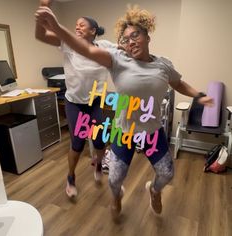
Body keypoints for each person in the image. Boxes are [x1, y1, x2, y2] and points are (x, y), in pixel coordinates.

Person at [35, 5, 213, 218]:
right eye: (126, 39)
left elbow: (179, 83)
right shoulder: (116, 60)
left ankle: (154, 191)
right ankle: (116, 195)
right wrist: (56, 26)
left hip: (152, 131)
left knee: (166, 174)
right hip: (125, 131)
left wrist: (198, 95)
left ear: (147, 36)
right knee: (114, 180)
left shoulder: (163, 65)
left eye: (135, 35)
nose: (131, 42)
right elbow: (85, 49)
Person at [35, 0, 116, 198]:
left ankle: (98, 164)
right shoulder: (67, 44)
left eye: (82, 25)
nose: (77, 27)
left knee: (99, 140)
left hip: (95, 102)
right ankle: (71, 177)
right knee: (78, 143)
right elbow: (40, 35)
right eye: (76, 25)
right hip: (75, 104)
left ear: (93, 31)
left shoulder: (104, 45)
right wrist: (42, 14)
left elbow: (123, 50)